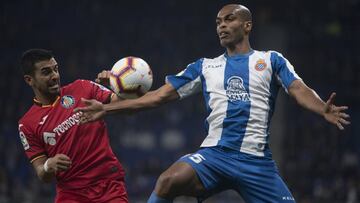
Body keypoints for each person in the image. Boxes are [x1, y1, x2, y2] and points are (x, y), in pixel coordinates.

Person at [74, 4, 350, 203]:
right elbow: (157, 96)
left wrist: (320, 107)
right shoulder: (204, 67)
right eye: (218, 22)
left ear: (247, 25)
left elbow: (297, 88)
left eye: (229, 19)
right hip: (215, 156)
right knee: (167, 181)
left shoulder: (271, 60)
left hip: (257, 163)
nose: (221, 26)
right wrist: (106, 109)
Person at [18, 49, 128, 203]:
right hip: (71, 194)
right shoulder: (27, 124)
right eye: (46, 72)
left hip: (108, 186)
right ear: (30, 80)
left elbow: (125, 104)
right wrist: (49, 164)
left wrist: (118, 85)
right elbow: (42, 172)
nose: (55, 76)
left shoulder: (82, 88)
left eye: (56, 69)